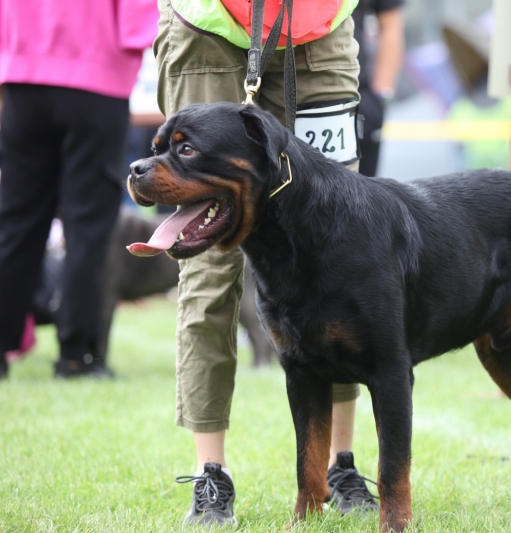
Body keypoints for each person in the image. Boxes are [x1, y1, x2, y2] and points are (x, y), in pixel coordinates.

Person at [153, 0, 379, 525]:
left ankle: (341, 467)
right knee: (207, 259)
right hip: (208, 25)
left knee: (341, 248)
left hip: (319, 26)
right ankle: (211, 477)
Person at [0, 0, 158, 379]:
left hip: (21, 80)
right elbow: (141, 21)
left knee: (15, 219)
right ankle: (75, 356)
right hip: (98, 83)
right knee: (87, 225)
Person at [352, 0, 405, 176]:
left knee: (361, 197)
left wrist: (381, 94)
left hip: (358, 98)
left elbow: (390, 21)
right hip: (275, 92)